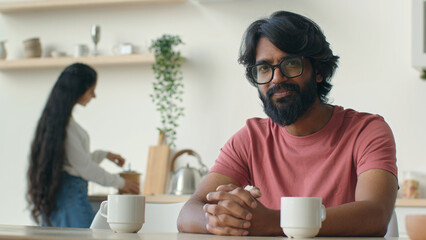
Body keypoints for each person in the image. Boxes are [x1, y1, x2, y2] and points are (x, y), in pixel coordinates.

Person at [177, 11, 398, 236]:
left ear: (318, 71)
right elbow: (188, 212)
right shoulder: (251, 138)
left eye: (290, 64)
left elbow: (375, 215)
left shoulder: (366, 131)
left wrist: (272, 223)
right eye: (264, 68)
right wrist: (222, 220)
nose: (276, 78)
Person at [27, 63, 140, 228]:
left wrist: (104, 154)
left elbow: (76, 161)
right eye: (91, 90)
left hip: (61, 198)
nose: (94, 96)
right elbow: (84, 167)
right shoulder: (67, 127)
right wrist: (122, 183)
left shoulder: (57, 124)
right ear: (77, 91)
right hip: (71, 198)